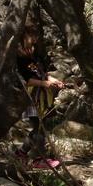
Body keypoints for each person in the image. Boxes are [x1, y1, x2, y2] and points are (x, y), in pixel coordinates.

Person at [15, 21, 64, 166]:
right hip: (30, 96)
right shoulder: (18, 56)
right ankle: (39, 159)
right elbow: (26, 79)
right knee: (39, 127)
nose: (35, 39)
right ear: (24, 36)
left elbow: (42, 73)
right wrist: (44, 83)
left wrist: (54, 80)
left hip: (42, 95)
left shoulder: (34, 53)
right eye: (32, 36)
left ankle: (21, 152)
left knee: (41, 126)